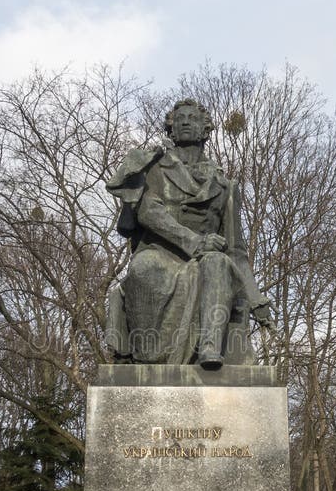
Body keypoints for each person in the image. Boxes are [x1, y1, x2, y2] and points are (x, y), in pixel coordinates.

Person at [106, 98, 272, 369]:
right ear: (171, 129)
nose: (185, 122)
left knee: (218, 263)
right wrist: (196, 241)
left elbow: (235, 251)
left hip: (204, 261)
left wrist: (256, 299)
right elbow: (148, 213)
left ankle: (209, 348)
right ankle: (149, 354)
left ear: (205, 130)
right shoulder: (154, 167)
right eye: (179, 118)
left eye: (192, 119)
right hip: (159, 254)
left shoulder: (225, 186)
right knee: (143, 269)